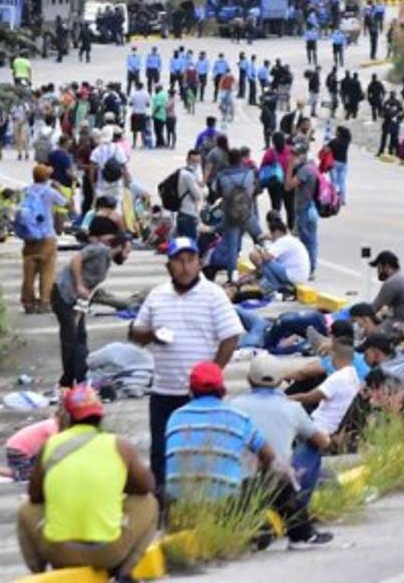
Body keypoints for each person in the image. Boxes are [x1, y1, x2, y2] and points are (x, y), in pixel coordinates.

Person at [173, 361, 333, 549]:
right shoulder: (284, 409)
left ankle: (257, 527)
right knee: (282, 473)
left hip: (186, 498)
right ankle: (300, 531)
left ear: (249, 380)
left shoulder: (181, 415)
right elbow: (270, 457)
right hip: (241, 489)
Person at [130, 238, 243, 488]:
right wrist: (151, 335)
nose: (185, 267)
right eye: (179, 261)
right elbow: (135, 332)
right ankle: (163, 501)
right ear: (169, 265)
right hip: (164, 390)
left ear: (199, 263)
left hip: (199, 394)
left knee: (200, 450)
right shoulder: (157, 296)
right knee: (161, 450)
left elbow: (231, 337)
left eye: (190, 260)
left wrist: (212, 373)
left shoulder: (213, 295)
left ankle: (199, 499)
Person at [17, 385, 158, 579]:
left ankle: (39, 574)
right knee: (150, 503)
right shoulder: (119, 445)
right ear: (100, 416)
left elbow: (34, 495)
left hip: (60, 553)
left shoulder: (51, 445)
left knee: (25, 508)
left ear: (69, 417)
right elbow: (147, 486)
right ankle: (126, 572)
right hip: (109, 553)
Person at [51, 217, 130, 389]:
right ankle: (69, 380)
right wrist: (79, 284)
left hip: (76, 301)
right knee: (70, 339)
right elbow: (76, 260)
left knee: (80, 338)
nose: (127, 256)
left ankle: (79, 378)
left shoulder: (106, 261)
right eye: (127, 251)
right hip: (63, 294)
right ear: (119, 247)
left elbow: (92, 287)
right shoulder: (100, 250)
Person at [20, 165, 68, 314]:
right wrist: (59, 188)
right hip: (47, 236)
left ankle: (28, 302)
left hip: (29, 236)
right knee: (47, 271)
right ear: (46, 177)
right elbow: (66, 204)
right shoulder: (50, 192)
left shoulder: (26, 191)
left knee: (29, 272)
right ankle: (44, 302)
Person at [0, 408, 67, 485]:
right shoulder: (52, 425)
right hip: (18, 449)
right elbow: (58, 443)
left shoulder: (50, 423)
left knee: (36, 470)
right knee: (24, 475)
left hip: (23, 448)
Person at [214, 149, 264, 277]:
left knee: (232, 248)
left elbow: (216, 191)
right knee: (260, 238)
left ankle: (233, 277)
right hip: (248, 214)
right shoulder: (249, 173)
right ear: (241, 159)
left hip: (230, 215)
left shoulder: (222, 176)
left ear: (228, 160)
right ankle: (266, 268)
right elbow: (257, 187)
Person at [367, 250, 404, 335]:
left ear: (386, 266)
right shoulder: (403, 276)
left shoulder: (392, 282)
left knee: (372, 333)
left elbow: (374, 308)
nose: (377, 272)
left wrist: (356, 314)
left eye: (379, 268)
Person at [249, 214, 310, 294]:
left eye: (272, 233)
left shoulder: (283, 241)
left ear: (277, 232)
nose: (271, 236)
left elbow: (266, 258)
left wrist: (260, 250)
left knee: (264, 262)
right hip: (299, 275)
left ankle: (276, 287)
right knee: (267, 261)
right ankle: (278, 285)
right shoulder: (289, 239)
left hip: (294, 276)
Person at [285, 143, 319, 277]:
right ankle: (312, 267)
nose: (292, 157)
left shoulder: (304, 170)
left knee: (306, 240)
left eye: (294, 155)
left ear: (302, 155)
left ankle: (309, 269)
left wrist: (290, 167)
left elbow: (288, 186)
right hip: (312, 207)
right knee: (312, 239)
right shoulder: (312, 166)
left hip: (304, 208)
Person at [176, 149, 206, 240]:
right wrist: (200, 187)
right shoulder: (189, 175)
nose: (196, 164)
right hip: (188, 214)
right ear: (187, 160)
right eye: (193, 161)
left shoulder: (182, 172)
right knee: (190, 244)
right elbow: (198, 195)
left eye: (198, 161)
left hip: (183, 212)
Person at [327, 126, 351, 205]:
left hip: (334, 162)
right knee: (342, 182)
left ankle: (334, 199)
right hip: (344, 163)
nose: (335, 132)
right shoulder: (347, 141)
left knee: (334, 182)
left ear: (339, 132)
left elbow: (326, 150)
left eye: (336, 131)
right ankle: (343, 199)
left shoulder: (333, 142)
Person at [128, 81, 152, 149]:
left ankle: (134, 143)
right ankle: (143, 144)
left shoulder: (133, 94)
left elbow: (130, 104)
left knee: (134, 130)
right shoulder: (146, 94)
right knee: (143, 130)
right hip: (143, 113)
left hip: (135, 113)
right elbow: (148, 104)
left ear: (136, 86)